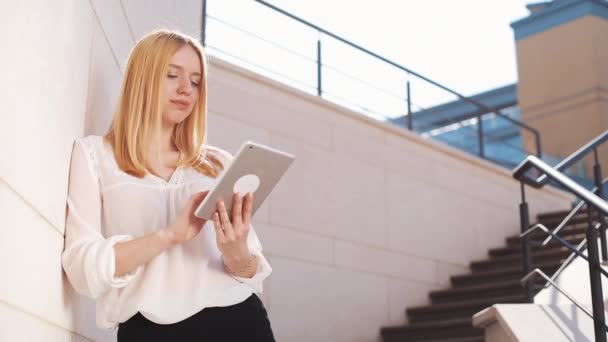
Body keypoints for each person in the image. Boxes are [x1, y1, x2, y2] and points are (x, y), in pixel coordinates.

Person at [61, 29, 275, 341]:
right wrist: (168, 236)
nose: (186, 89)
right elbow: (81, 268)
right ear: (142, 78)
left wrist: (237, 250)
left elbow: (250, 272)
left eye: (196, 81)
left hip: (239, 320)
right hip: (148, 329)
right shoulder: (95, 156)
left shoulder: (218, 163)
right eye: (172, 75)